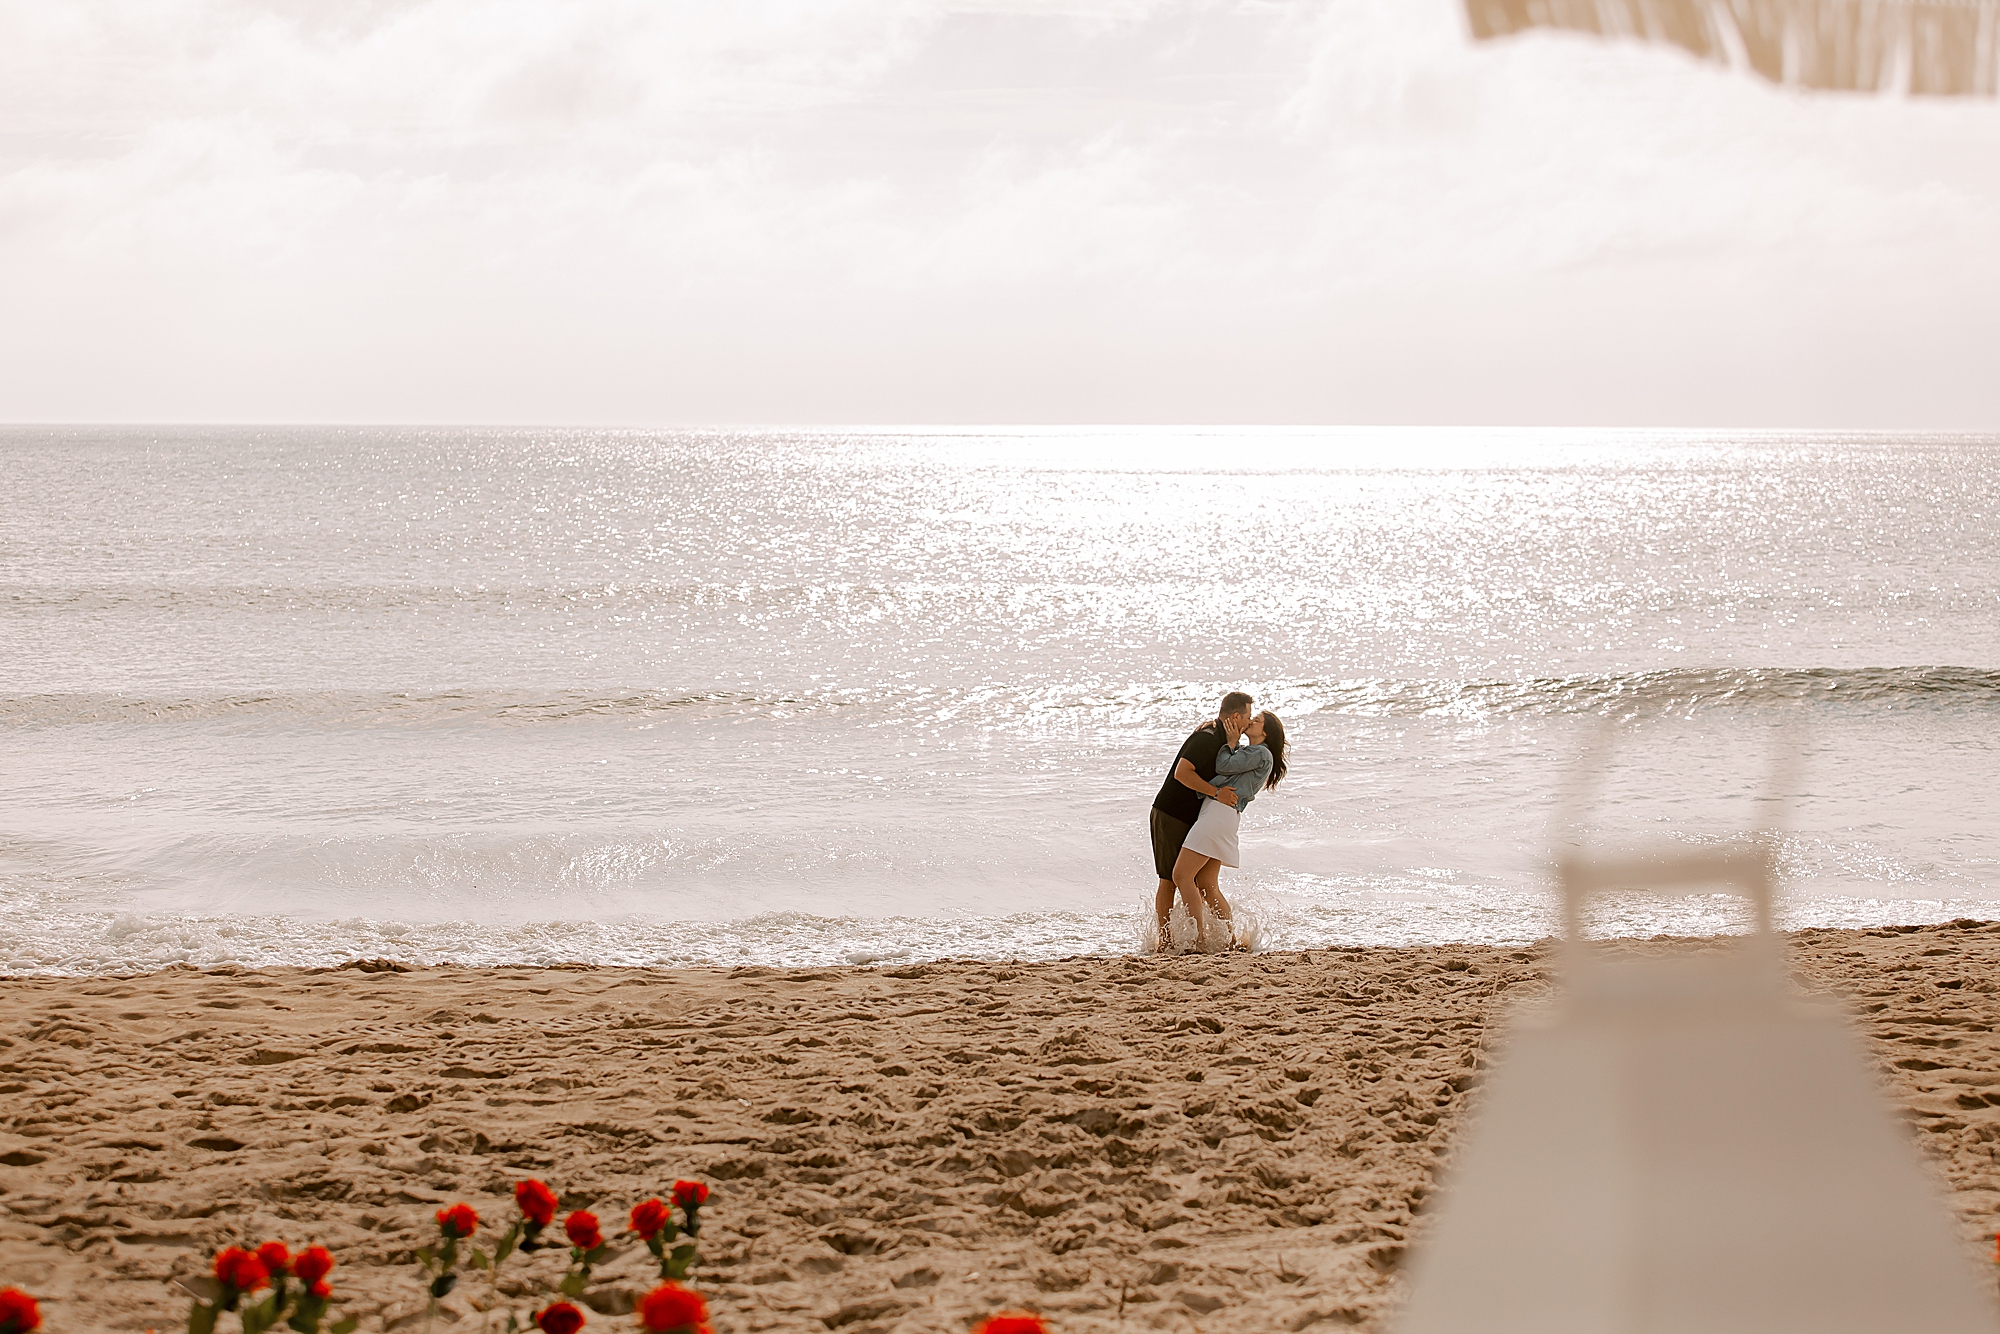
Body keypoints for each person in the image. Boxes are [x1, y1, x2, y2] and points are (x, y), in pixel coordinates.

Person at [1171, 709, 1288, 951]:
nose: (1251, 721)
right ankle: (1228, 939)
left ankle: (1199, 939)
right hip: (1219, 814)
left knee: (1181, 876)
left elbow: (1223, 766)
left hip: (1218, 814)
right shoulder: (1254, 753)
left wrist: (1231, 742)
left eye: (1256, 721)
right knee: (1206, 882)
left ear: (1265, 732)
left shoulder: (1261, 753)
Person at [1151, 692, 1254, 952]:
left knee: (1203, 882)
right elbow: (1182, 773)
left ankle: (1216, 938)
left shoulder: (1227, 742)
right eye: (1248, 717)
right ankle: (1165, 942)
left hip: (1195, 818)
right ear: (1236, 716)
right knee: (1169, 880)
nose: (1249, 722)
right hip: (1170, 813)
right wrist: (1216, 793)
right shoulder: (1207, 738)